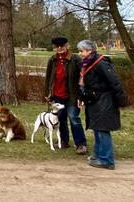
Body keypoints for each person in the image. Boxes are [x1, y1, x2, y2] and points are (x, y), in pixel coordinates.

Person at [76, 39, 127, 170]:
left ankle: (107, 160)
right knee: (97, 129)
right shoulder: (86, 64)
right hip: (95, 101)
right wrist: (81, 97)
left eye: (82, 51)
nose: (80, 53)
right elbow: (86, 84)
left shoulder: (101, 63)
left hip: (104, 101)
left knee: (103, 130)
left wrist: (121, 99)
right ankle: (98, 155)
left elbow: (114, 81)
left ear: (89, 51)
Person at [44, 35, 88, 154]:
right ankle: (64, 140)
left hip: (73, 95)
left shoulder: (75, 59)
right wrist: (47, 93)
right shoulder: (53, 60)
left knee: (74, 118)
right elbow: (48, 77)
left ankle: (81, 144)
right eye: (57, 46)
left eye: (62, 46)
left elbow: (83, 76)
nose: (59, 48)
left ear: (67, 46)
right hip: (58, 95)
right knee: (61, 118)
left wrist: (81, 95)